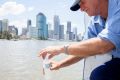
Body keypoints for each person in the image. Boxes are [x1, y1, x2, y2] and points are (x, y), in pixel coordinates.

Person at [39, 0, 120, 79]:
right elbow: (85, 50)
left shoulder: (118, 6)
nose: (81, 9)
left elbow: (104, 45)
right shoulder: (94, 22)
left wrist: (60, 49)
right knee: (99, 75)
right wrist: (59, 64)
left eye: (82, 2)